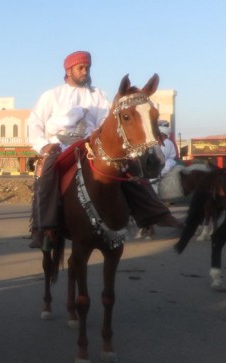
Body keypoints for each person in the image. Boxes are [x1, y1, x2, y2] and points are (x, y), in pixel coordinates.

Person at [27, 51, 183, 249]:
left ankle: (154, 213)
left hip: (90, 144)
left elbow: (105, 121)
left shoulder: (98, 95)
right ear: (69, 70)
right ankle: (43, 227)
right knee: (47, 171)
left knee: (129, 166)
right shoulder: (52, 95)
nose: (85, 71)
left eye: (87, 68)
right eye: (80, 68)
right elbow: (35, 123)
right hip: (60, 144)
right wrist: (43, 145)